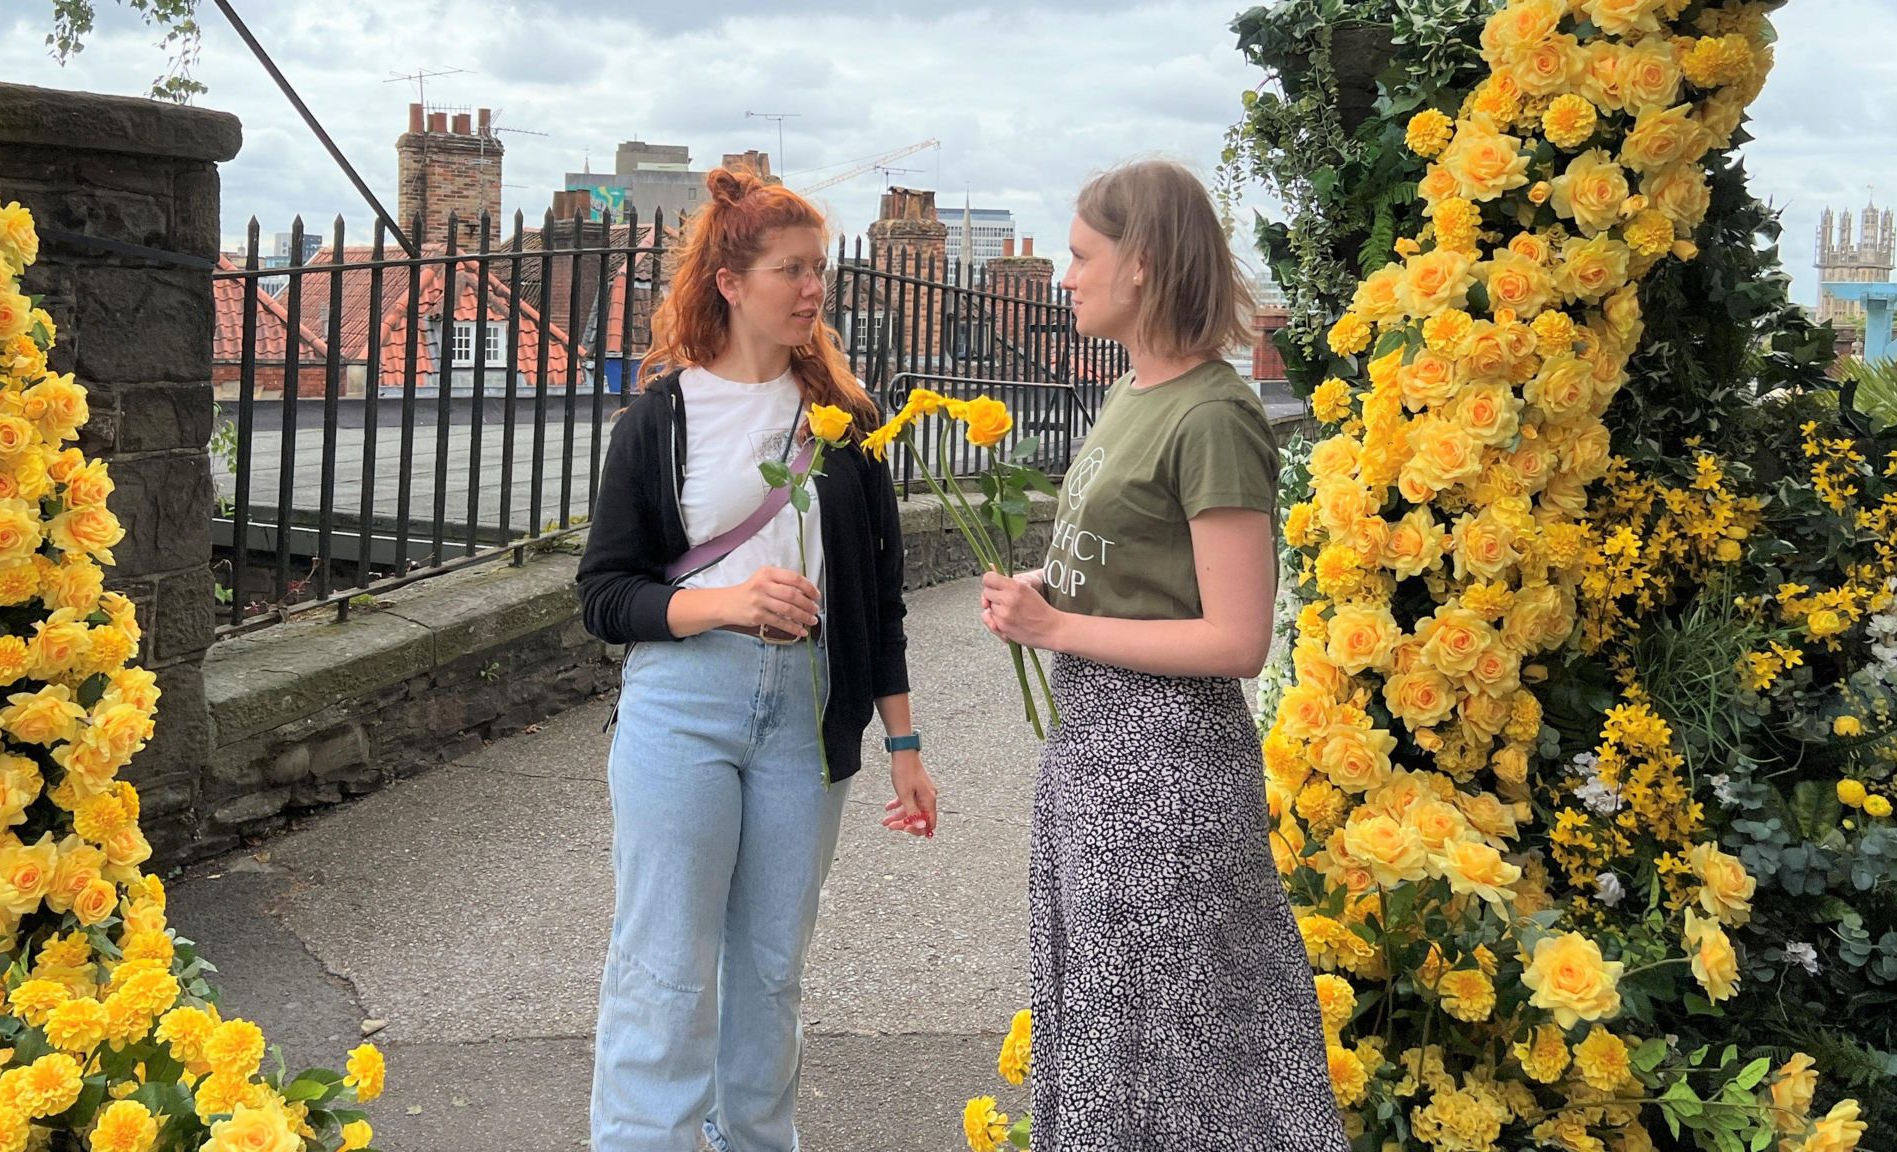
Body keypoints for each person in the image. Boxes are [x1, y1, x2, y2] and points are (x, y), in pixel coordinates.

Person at [980, 159, 1348, 1151]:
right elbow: (1132, 578)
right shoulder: (1129, 391)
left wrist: (1055, 629)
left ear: (1138, 265)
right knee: (1104, 1036)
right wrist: (1043, 598)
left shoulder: (1211, 413)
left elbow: (1234, 637)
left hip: (1165, 776)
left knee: (1173, 1053)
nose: (1064, 276)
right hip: (1093, 757)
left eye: (1079, 255)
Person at [575, 165, 939, 1152]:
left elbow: (880, 599)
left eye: (818, 269)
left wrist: (902, 744)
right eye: (791, 270)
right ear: (730, 282)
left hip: (807, 718)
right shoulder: (661, 419)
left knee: (771, 970)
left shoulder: (844, 420)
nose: (813, 288)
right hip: (681, 709)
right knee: (665, 967)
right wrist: (721, 604)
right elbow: (604, 595)